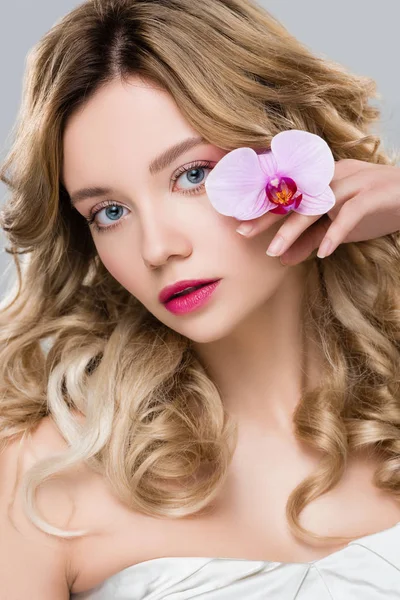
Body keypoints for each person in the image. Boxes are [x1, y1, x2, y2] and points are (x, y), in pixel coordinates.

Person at [0, 0, 400, 598]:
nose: (158, 247)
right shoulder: (41, 480)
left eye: (191, 175)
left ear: (290, 148)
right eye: (109, 212)